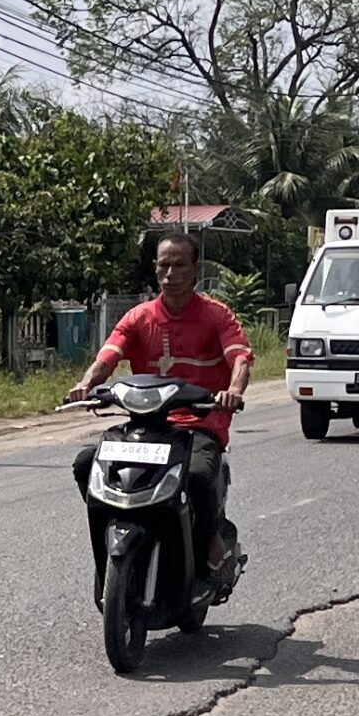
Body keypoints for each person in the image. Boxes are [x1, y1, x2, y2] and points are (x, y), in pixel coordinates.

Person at [63, 234, 255, 577]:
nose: (171, 273)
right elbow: (108, 356)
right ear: (155, 269)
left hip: (198, 425)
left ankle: (211, 539)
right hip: (147, 426)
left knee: (197, 475)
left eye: (179, 265)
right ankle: (114, 525)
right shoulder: (139, 316)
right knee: (85, 463)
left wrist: (233, 391)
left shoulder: (216, 315)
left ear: (195, 269)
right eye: (164, 265)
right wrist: (85, 385)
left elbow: (240, 357)